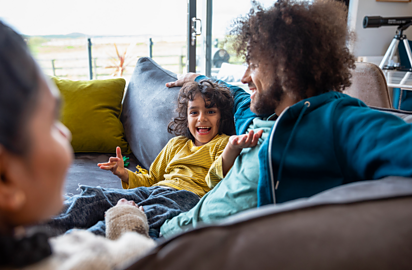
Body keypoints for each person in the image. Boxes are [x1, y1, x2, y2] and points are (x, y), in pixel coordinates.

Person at [160, 0, 412, 238]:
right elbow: (236, 95)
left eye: (253, 64)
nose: (246, 77)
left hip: (189, 246)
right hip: (170, 222)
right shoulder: (256, 121)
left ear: (283, 65)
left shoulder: (335, 121)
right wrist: (200, 79)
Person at [0, 8, 155, 270]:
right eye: (52, 122)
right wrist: (128, 222)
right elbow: (146, 260)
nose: (66, 133)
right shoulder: (93, 260)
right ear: (1, 175)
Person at [45, 79, 262, 239]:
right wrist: (124, 173)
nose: (202, 119)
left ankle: (73, 248)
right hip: (154, 191)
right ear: (186, 117)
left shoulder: (223, 143)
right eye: (194, 112)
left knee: (129, 219)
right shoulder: (176, 145)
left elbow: (217, 181)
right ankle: (39, 230)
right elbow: (151, 179)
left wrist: (232, 149)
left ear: (221, 117)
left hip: (185, 198)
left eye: (210, 111)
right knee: (93, 198)